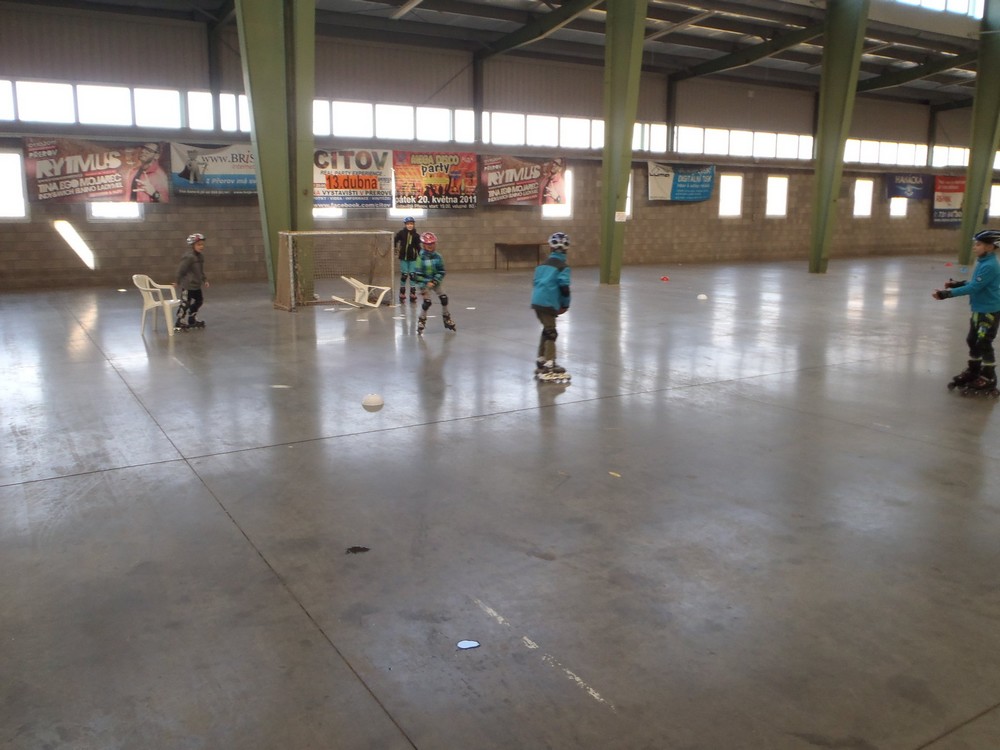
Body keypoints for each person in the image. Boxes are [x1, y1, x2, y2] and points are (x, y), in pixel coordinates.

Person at [933, 229, 1000, 394]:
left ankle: (989, 376)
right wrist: (958, 284)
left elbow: (975, 287)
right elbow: (975, 282)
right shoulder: (983, 262)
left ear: (990, 247)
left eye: (979, 244)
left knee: (984, 343)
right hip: (979, 309)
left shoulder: (990, 265)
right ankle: (974, 370)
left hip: (988, 311)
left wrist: (946, 294)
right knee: (972, 340)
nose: (975, 247)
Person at [531, 232, 572, 383]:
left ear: (551, 248)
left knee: (547, 330)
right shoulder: (563, 267)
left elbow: (535, 282)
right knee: (552, 333)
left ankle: (541, 359)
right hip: (548, 303)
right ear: (566, 250)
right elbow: (564, 288)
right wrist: (565, 304)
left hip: (537, 302)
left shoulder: (541, 265)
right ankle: (550, 363)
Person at [412, 231, 456, 334]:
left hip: (435, 282)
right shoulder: (420, 258)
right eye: (427, 244)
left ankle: (446, 317)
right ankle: (422, 320)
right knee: (427, 302)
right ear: (423, 245)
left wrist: (434, 281)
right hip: (424, 283)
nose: (430, 246)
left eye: (432, 244)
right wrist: (423, 286)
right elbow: (417, 275)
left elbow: (441, 271)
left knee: (444, 298)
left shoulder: (438, 256)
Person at [174, 233, 209, 329]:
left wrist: (204, 279)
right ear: (193, 245)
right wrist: (177, 281)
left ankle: (192, 318)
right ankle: (179, 321)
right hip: (188, 285)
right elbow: (181, 269)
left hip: (196, 285)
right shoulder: (189, 257)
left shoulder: (200, 257)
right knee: (185, 303)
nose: (201, 247)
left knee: (199, 301)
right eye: (198, 245)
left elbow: (201, 270)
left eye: (202, 244)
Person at [394, 216, 421, 303]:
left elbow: (418, 246)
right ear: (405, 224)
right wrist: (395, 247)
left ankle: (413, 293)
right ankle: (402, 293)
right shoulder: (401, 233)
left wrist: (421, 255)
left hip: (413, 258)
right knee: (404, 275)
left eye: (411, 224)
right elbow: (395, 239)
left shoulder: (416, 235)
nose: (410, 225)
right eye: (408, 224)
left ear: (413, 224)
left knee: (413, 275)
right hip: (403, 258)